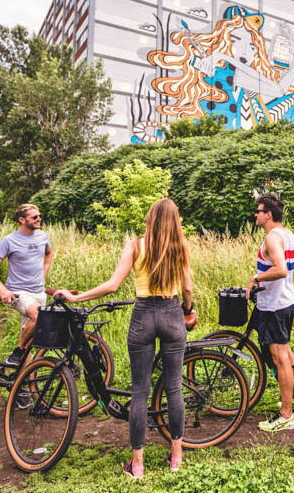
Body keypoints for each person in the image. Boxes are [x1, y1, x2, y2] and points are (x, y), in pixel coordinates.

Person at [54, 198, 193, 477]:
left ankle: (138, 464)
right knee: (174, 387)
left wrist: (76, 296)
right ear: (175, 220)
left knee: (140, 390)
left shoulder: (135, 245)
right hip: (171, 312)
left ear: (150, 218)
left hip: (143, 315)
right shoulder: (181, 246)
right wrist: (188, 311)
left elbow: (113, 285)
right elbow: (187, 288)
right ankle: (176, 457)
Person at [246, 193, 294, 432]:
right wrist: (279, 283)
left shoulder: (272, 237)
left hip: (275, 305)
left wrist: (257, 278)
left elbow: (281, 269)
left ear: (268, 215)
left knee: (280, 358)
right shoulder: (288, 234)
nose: (256, 215)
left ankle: (286, 415)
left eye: (258, 211)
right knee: (286, 352)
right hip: (286, 301)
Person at [0, 204, 52, 366]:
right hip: (18, 293)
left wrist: (43, 275)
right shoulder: (9, 241)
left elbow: (48, 254)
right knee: (38, 315)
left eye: (39, 216)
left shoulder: (43, 236)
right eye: (34, 217)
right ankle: (18, 350)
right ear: (22, 220)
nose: (39, 219)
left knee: (30, 338)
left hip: (39, 293)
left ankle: (23, 381)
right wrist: (2, 289)